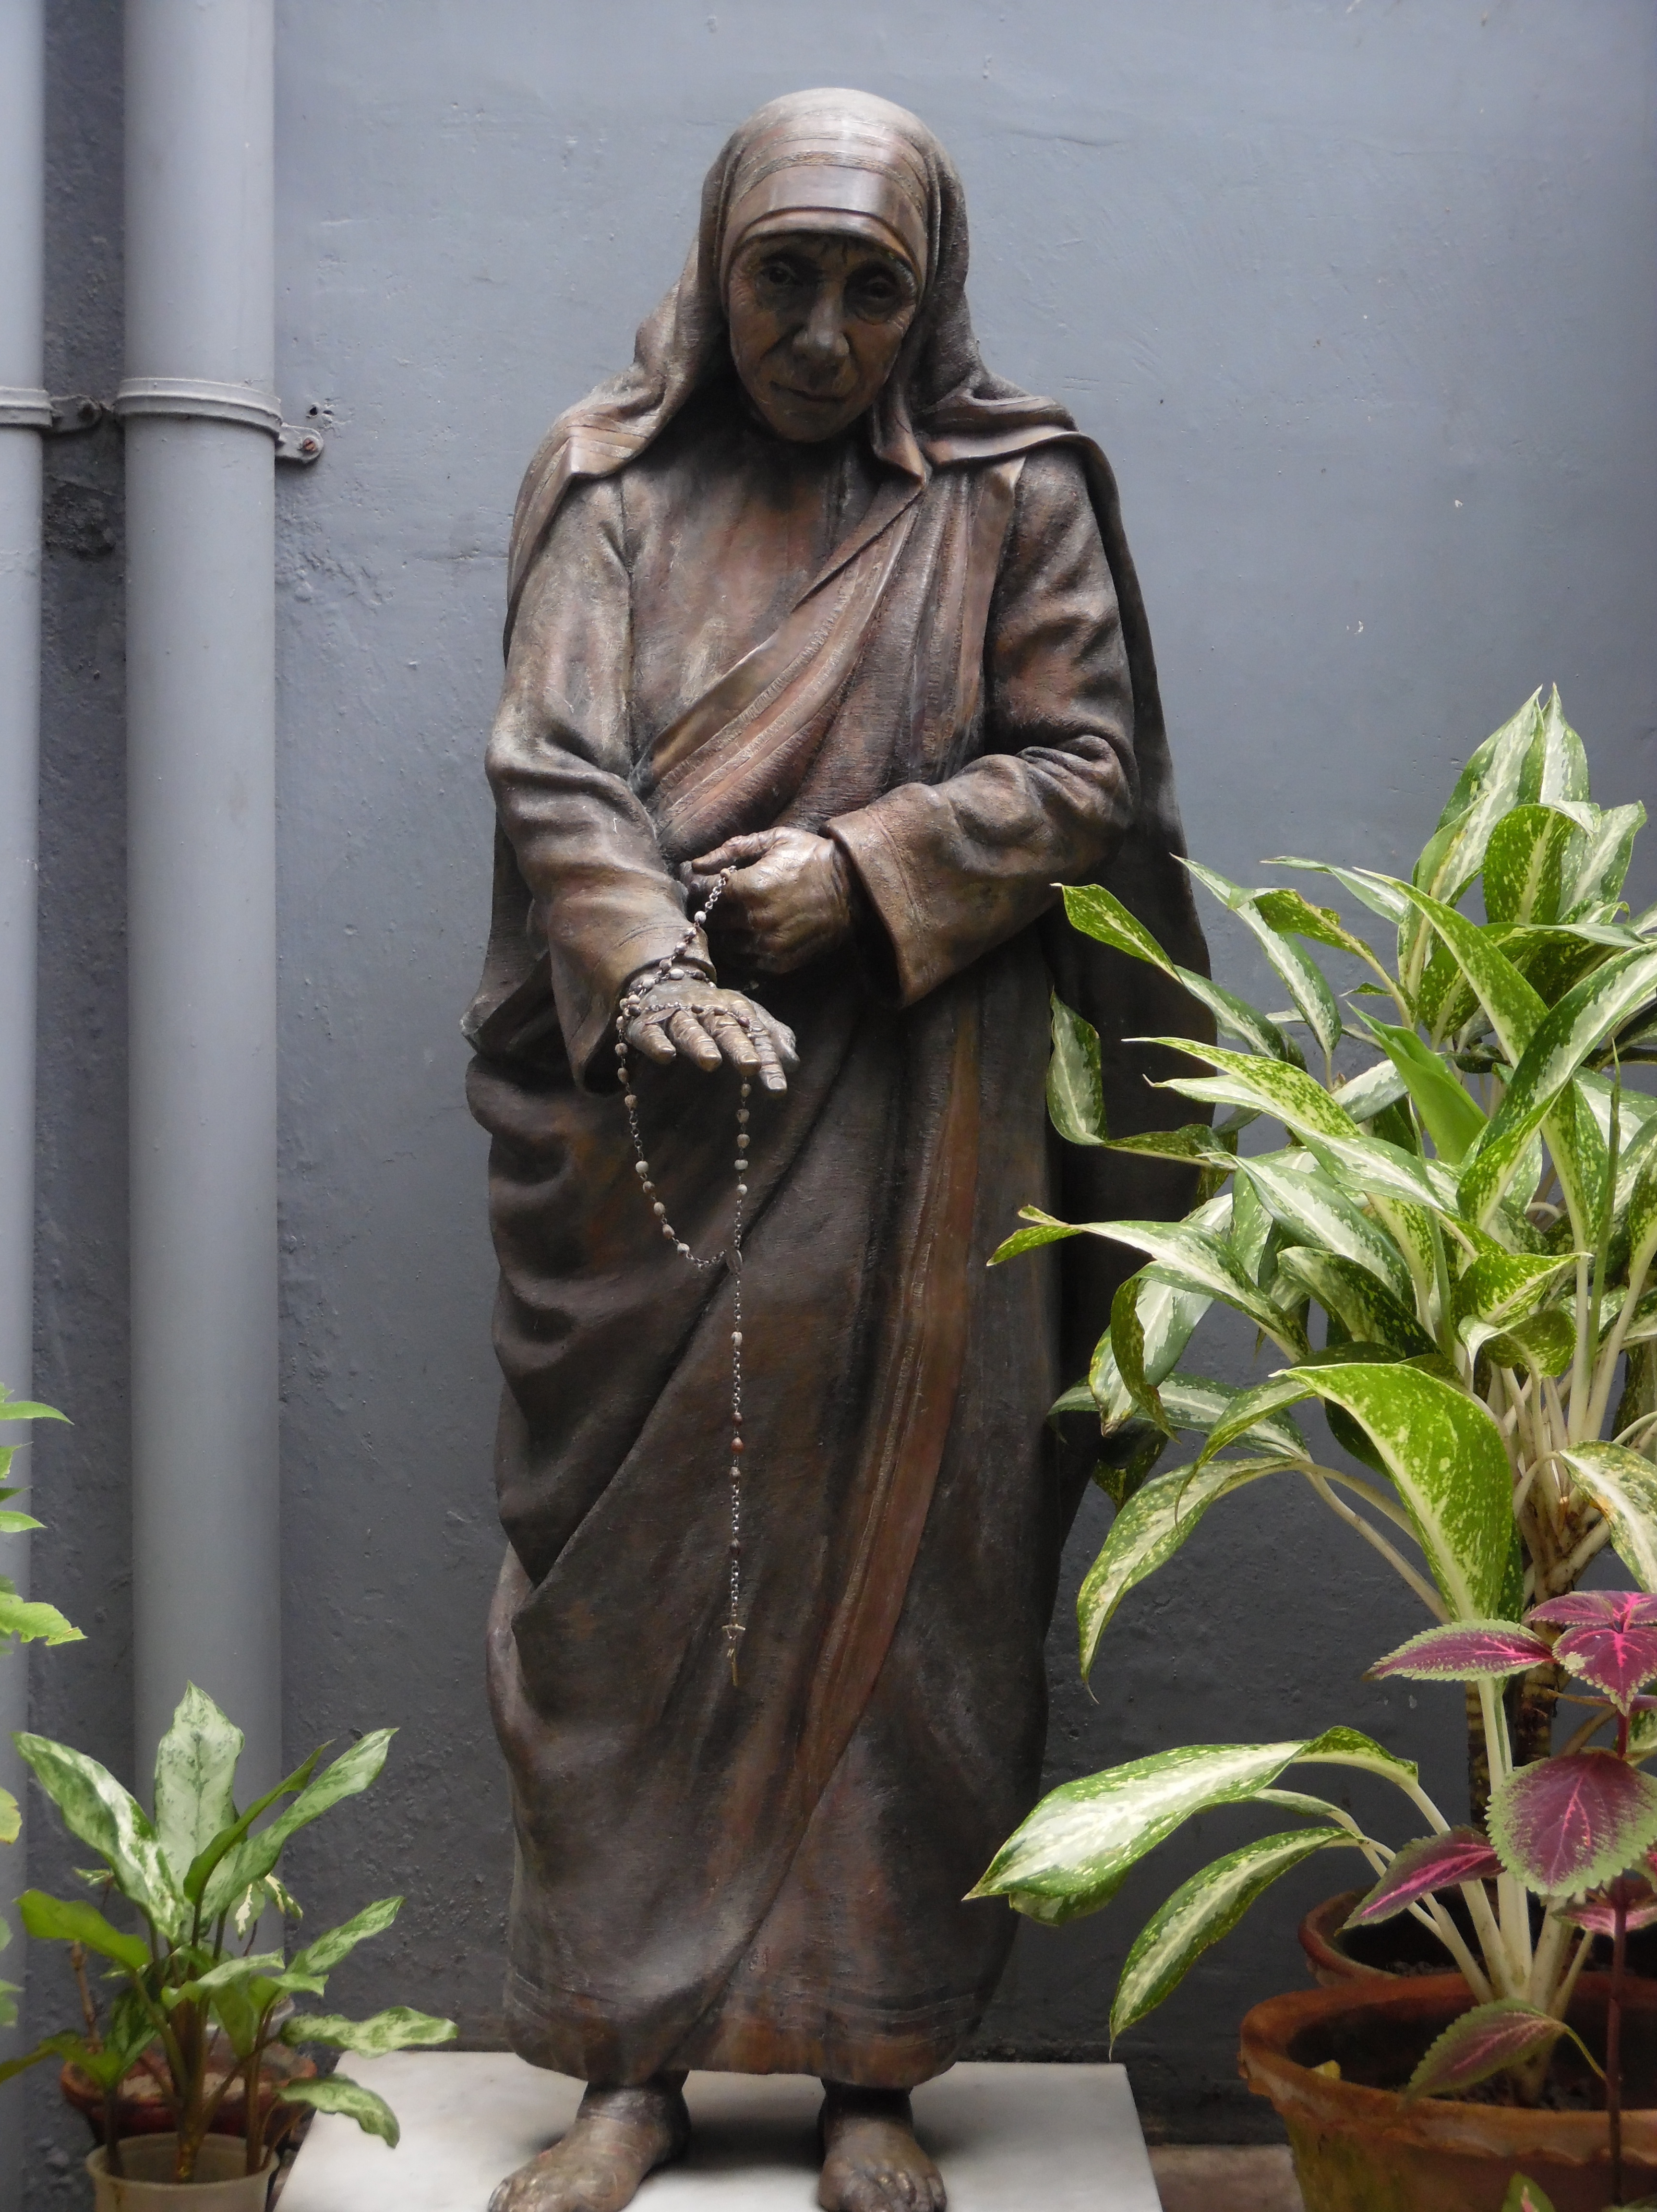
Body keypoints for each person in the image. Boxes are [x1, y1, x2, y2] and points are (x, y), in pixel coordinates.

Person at [465, 87, 1209, 2212]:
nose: (817, 332)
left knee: (925, 1586)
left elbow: (1090, 771)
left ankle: (876, 2055)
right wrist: (644, 966)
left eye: (868, 289)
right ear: (717, 269)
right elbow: (554, 769)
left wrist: (869, 868)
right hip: (663, 1128)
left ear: (928, 296)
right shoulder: (610, 483)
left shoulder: (1013, 492)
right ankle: (629, 2064)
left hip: (929, 1123)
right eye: (780, 278)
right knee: (641, 1602)